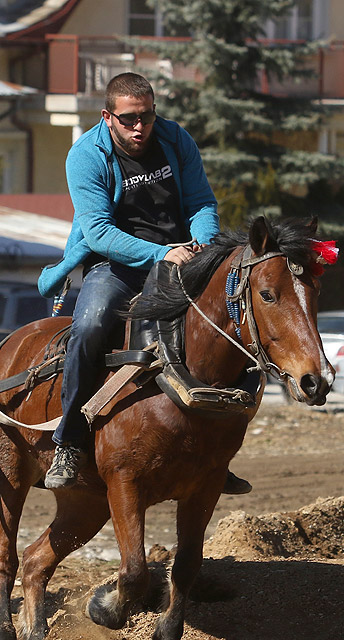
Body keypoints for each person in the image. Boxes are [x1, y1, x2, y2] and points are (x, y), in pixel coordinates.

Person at [37, 72, 249, 494]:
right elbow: (97, 232)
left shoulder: (175, 139)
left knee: (230, 324)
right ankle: (69, 441)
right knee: (90, 327)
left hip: (182, 257)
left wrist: (203, 244)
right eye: (130, 118)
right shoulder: (85, 155)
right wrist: (159, 253)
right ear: (107, 116)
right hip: (117, 263)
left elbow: (202, 202)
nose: (140, 127)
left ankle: (216, 454)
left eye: (148, 116)